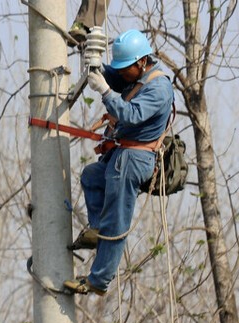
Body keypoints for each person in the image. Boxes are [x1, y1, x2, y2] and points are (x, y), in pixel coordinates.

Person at [64, 29, 173, 297]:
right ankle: (97, 227)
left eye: (126, 69)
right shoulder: (136, 76)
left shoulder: (159, 87)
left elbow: (132, 114)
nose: (121, 73)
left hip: (136, 159)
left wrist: (104, 91)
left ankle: (98, 280)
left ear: (141, 62)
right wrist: (94, 63)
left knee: (117, 222)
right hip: (120, 155)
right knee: (91, 176)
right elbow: (113, 75)